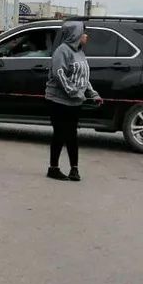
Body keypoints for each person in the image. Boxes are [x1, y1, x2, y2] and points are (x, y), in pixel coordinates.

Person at [44, 20, 101, 182]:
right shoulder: (62, 51)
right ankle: (53, 168)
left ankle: (74, 169)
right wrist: (76, 93)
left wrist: (93, 94)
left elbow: (82, 77)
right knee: (60, 134)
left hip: (75, 102)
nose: (86, 36)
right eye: (83, 33)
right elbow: (60, 75)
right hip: (58, 100)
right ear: (75, 35)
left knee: (72, 136)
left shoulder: (79, 52)